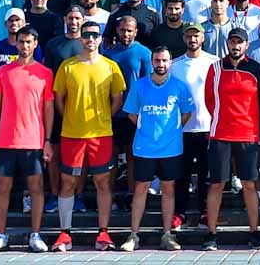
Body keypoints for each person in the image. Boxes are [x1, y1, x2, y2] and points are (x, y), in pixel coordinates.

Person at [53, 22, 125, 252]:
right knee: (68, 182)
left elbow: (117, 100)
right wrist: (73, 119)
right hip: (72, 134)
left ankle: (103, 233)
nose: (90, 38)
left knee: (103, 182)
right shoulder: (67, 66)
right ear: (81, 38)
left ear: (100, 38)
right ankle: (65, 233)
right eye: (87, 35)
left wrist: (102, 118)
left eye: (95, 35)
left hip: (101, 133)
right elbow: (59, 100)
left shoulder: (111, 66)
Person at [0, 27, 54, 253]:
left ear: (35, 44)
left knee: (36, 189)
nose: (24, 46)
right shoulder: (3, 71)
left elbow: (48, 109)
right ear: (16, 44)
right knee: (2, 188)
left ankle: (35, 234)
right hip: (5, 141)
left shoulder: (45, 73)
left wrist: (48, 141)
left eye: (28, 42)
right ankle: (0, 235)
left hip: (33, 141)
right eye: (21, 42)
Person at [121, 46, 196, 251]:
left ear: (170, 62)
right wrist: (147, 129)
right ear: (152, 62)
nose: (160, 64)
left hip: (171, 148)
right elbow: (132, 114)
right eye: (157, 61)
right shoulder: (139, 85)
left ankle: (167, 235)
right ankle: (133, 235)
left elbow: (187, 113)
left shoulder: (179, 86)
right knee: (140, 189)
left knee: (168, 189)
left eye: (164, 60)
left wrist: (170, 130)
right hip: (144, 147)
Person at [202, 29, 260, 250]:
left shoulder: (256, 70)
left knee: (250, 184)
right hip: (220, 133)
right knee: (217, 184)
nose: (236, 46)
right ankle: (211, 234)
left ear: (247, 45)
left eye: (240, 42)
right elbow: (209, 100)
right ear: (228, 44)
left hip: (248, 134)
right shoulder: (216, 68)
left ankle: (255, 232)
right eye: (233, 42)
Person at [169, 24, 217, 238]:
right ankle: (179, 213)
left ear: (202, 38)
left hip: (208, 126)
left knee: (207, 173)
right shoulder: (175, 65)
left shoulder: (214, 62)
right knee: (183, 174)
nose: (192, 39)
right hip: (183, 128)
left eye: (196, 35)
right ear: (183, 38)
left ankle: (206, 212)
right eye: (188, 35)